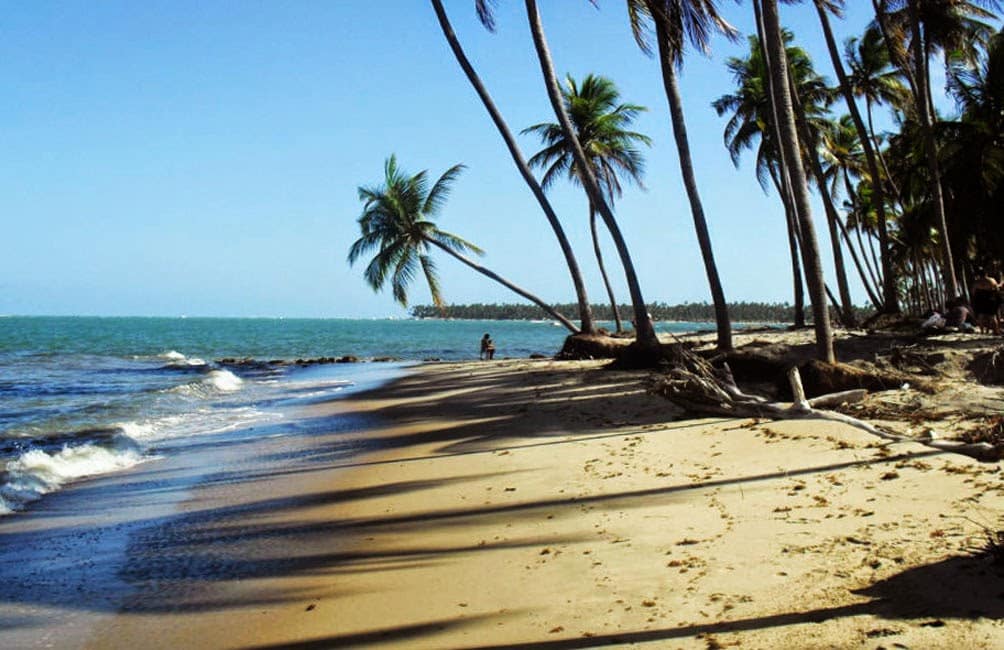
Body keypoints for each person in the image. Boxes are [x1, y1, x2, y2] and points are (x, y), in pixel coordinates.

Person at [971, 268, 1002, 335]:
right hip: (991, 300)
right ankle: (996, 330)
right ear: (986, 273)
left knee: (981, 316)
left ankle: (982, 332)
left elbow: (973, 292)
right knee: (992, 317)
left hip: (981, 300)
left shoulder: (977, 282)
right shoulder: (992, 280)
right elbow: (997, 289)